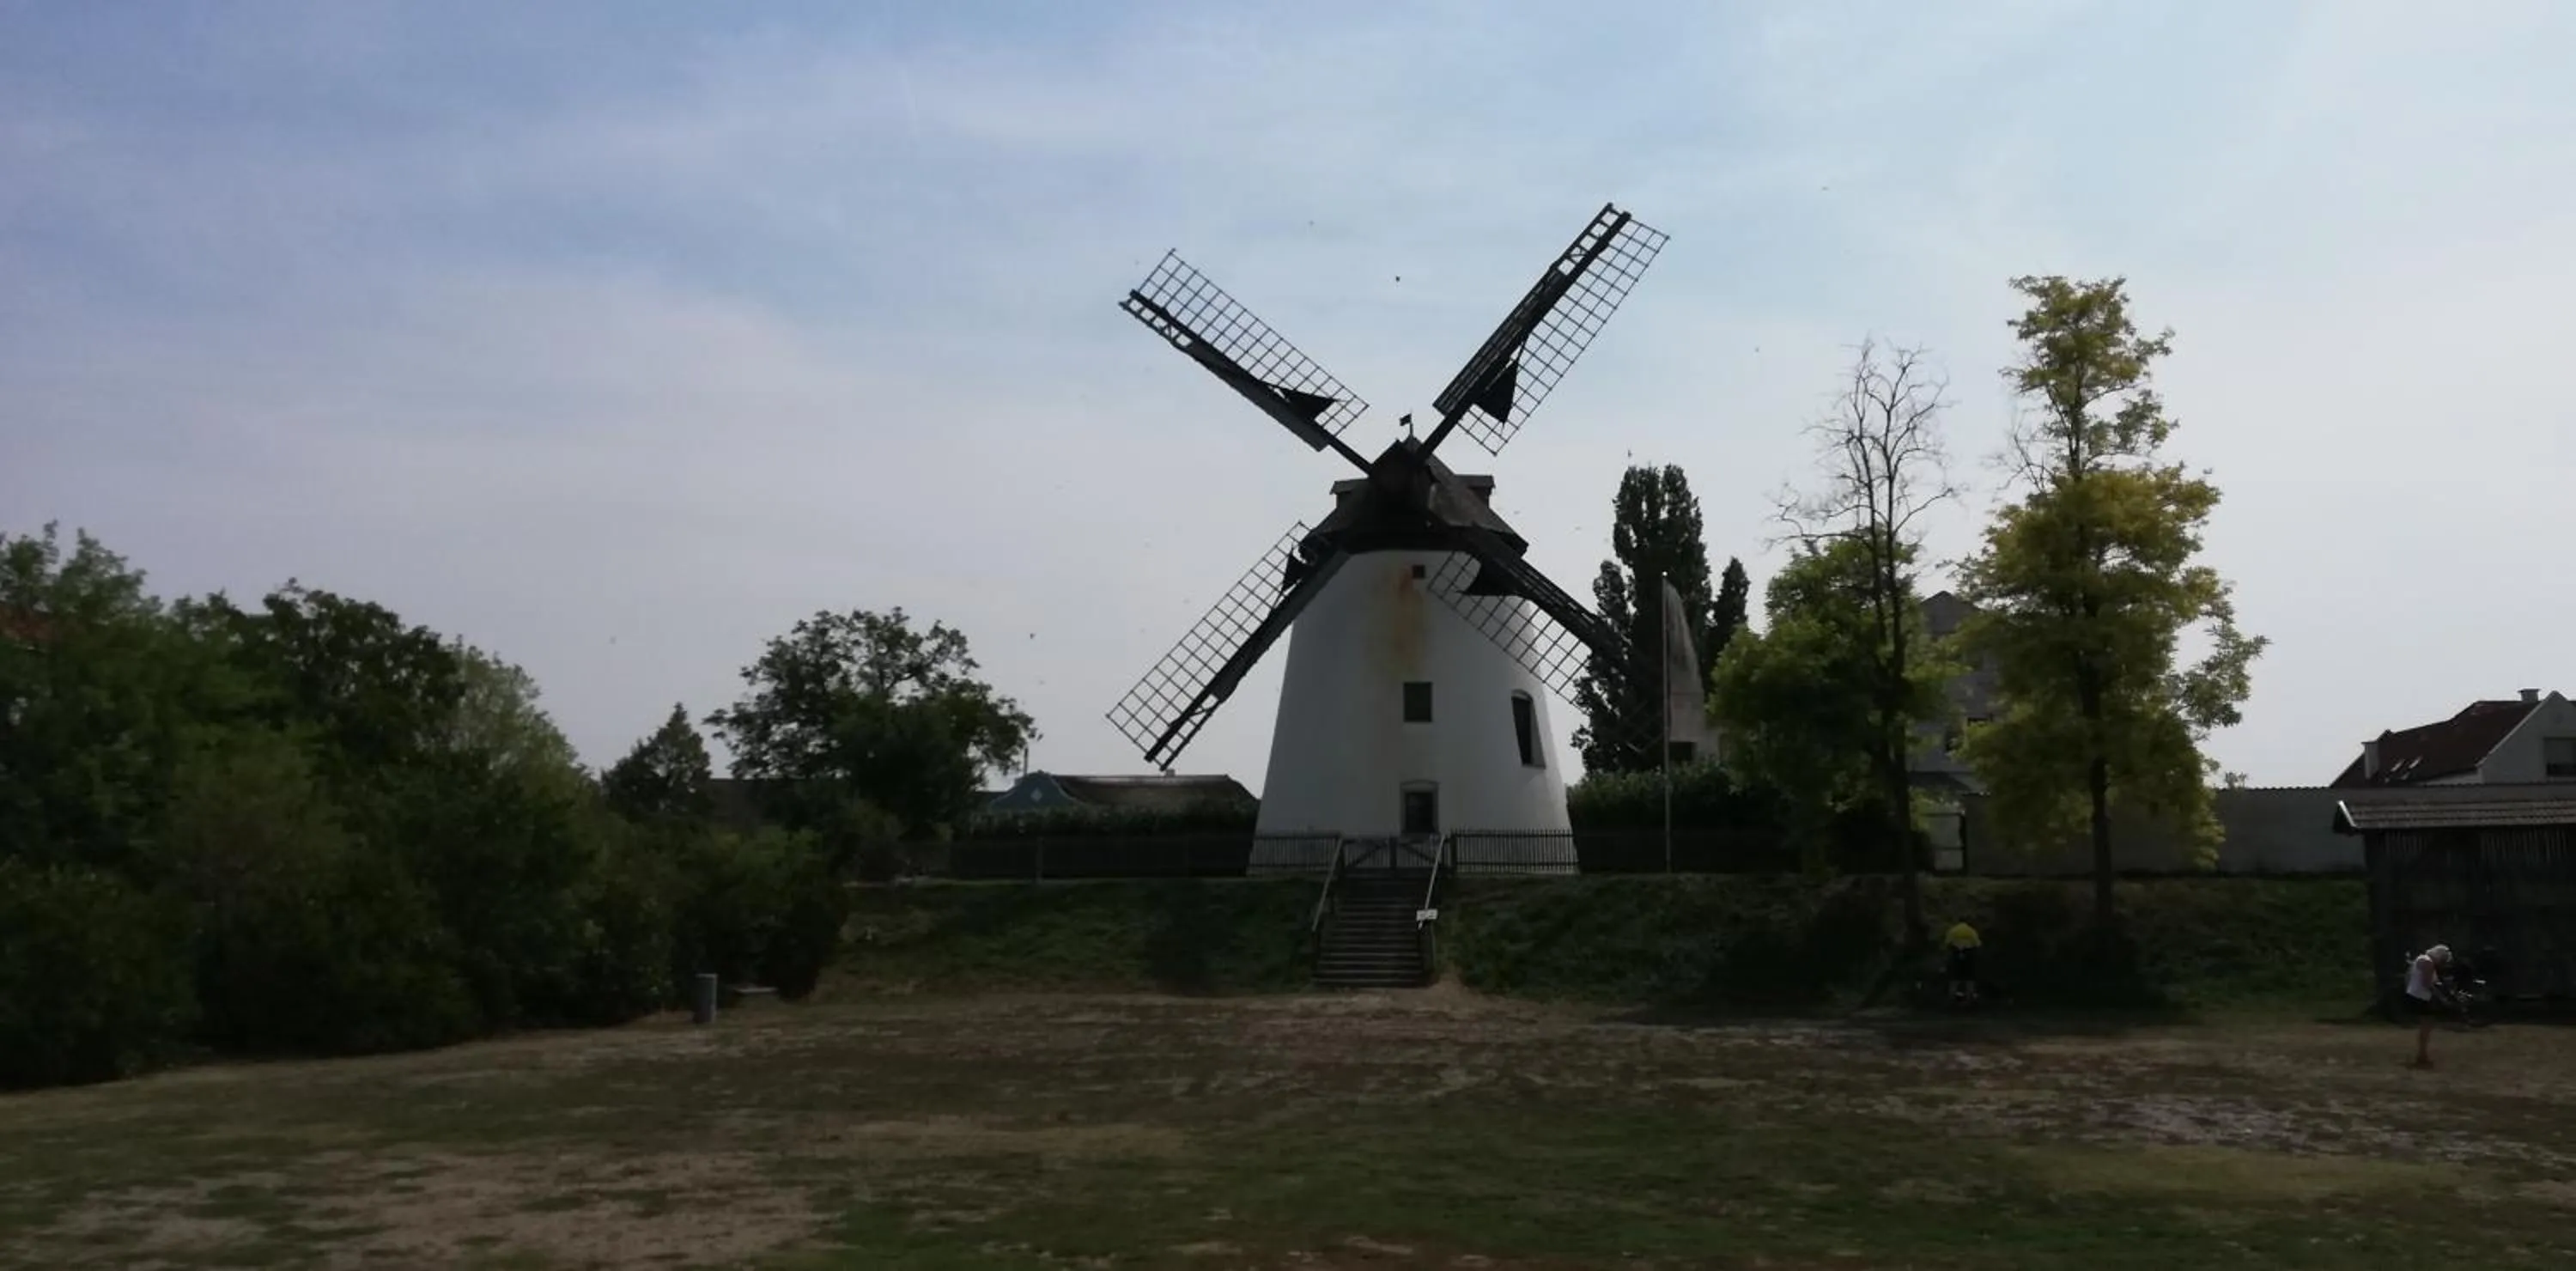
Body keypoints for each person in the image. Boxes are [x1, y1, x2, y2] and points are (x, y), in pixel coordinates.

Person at [2405, 944, 2453, 1069]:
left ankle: (2423, 1054)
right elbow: (2427, 983)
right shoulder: (2428, 962)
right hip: (2423, 997)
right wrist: (2441, 997)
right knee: (2426, 1027)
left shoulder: (2420, 959)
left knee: (2426, 1027)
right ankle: (2422, 1055)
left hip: (2417, 994)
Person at [1943, 920, 1983, 1004]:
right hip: (1969, 955)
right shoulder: (1971, 931)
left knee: (1954, 978)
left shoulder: (1953, 930)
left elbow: (1947, 943)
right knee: (1969, 978)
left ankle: (1952, 998)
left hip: (1955, 954)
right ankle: (1970, 998)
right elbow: (1977, 944)